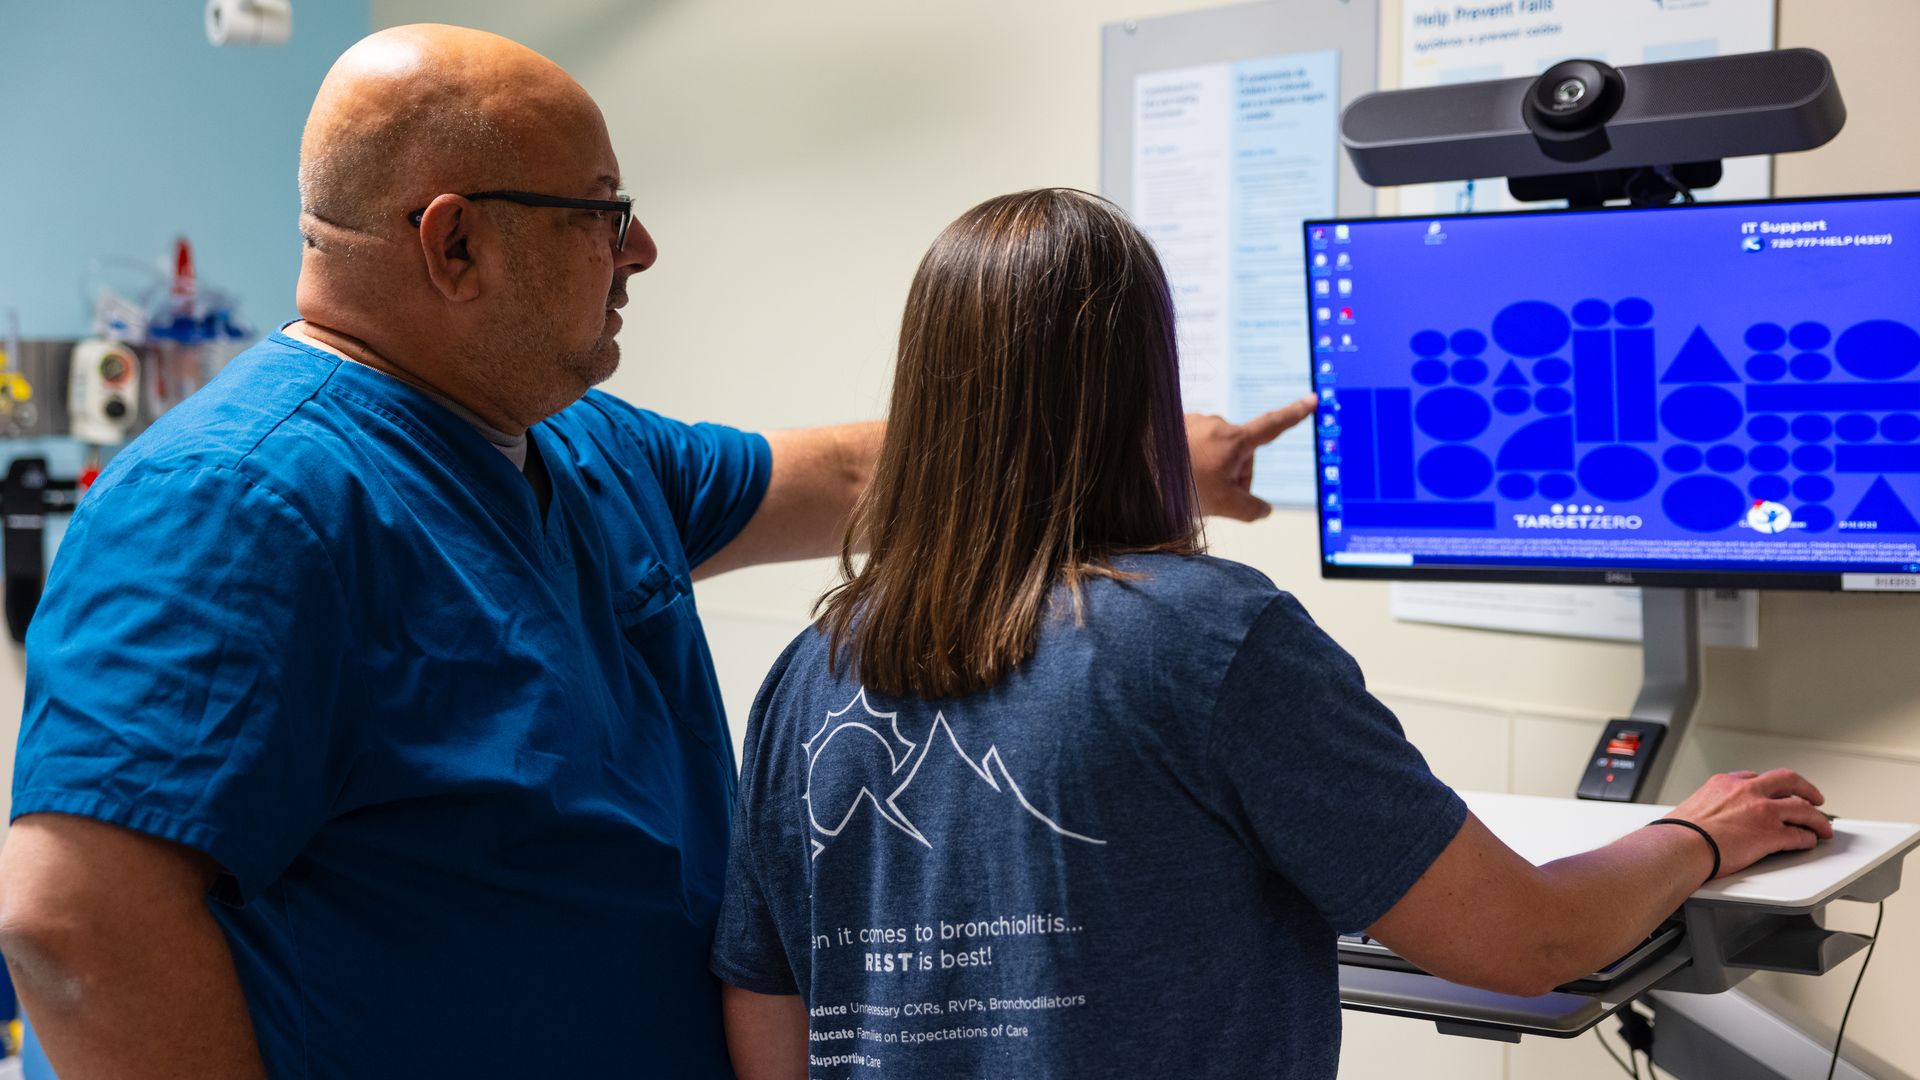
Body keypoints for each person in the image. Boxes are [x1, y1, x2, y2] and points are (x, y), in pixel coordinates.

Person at [0, 26, 1305, 1080]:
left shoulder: (580, 448)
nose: (640, 249)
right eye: (602, 213)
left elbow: (856, 476)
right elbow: (71, 925)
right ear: (453, 241)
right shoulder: (235, 505)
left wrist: (1128, 452)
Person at [708, 188, 1834, 1080]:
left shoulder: (817, 666)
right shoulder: (1207, 637)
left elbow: (767, 998)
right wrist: (1702, 833)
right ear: (1143, 385)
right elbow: (1527, 946)